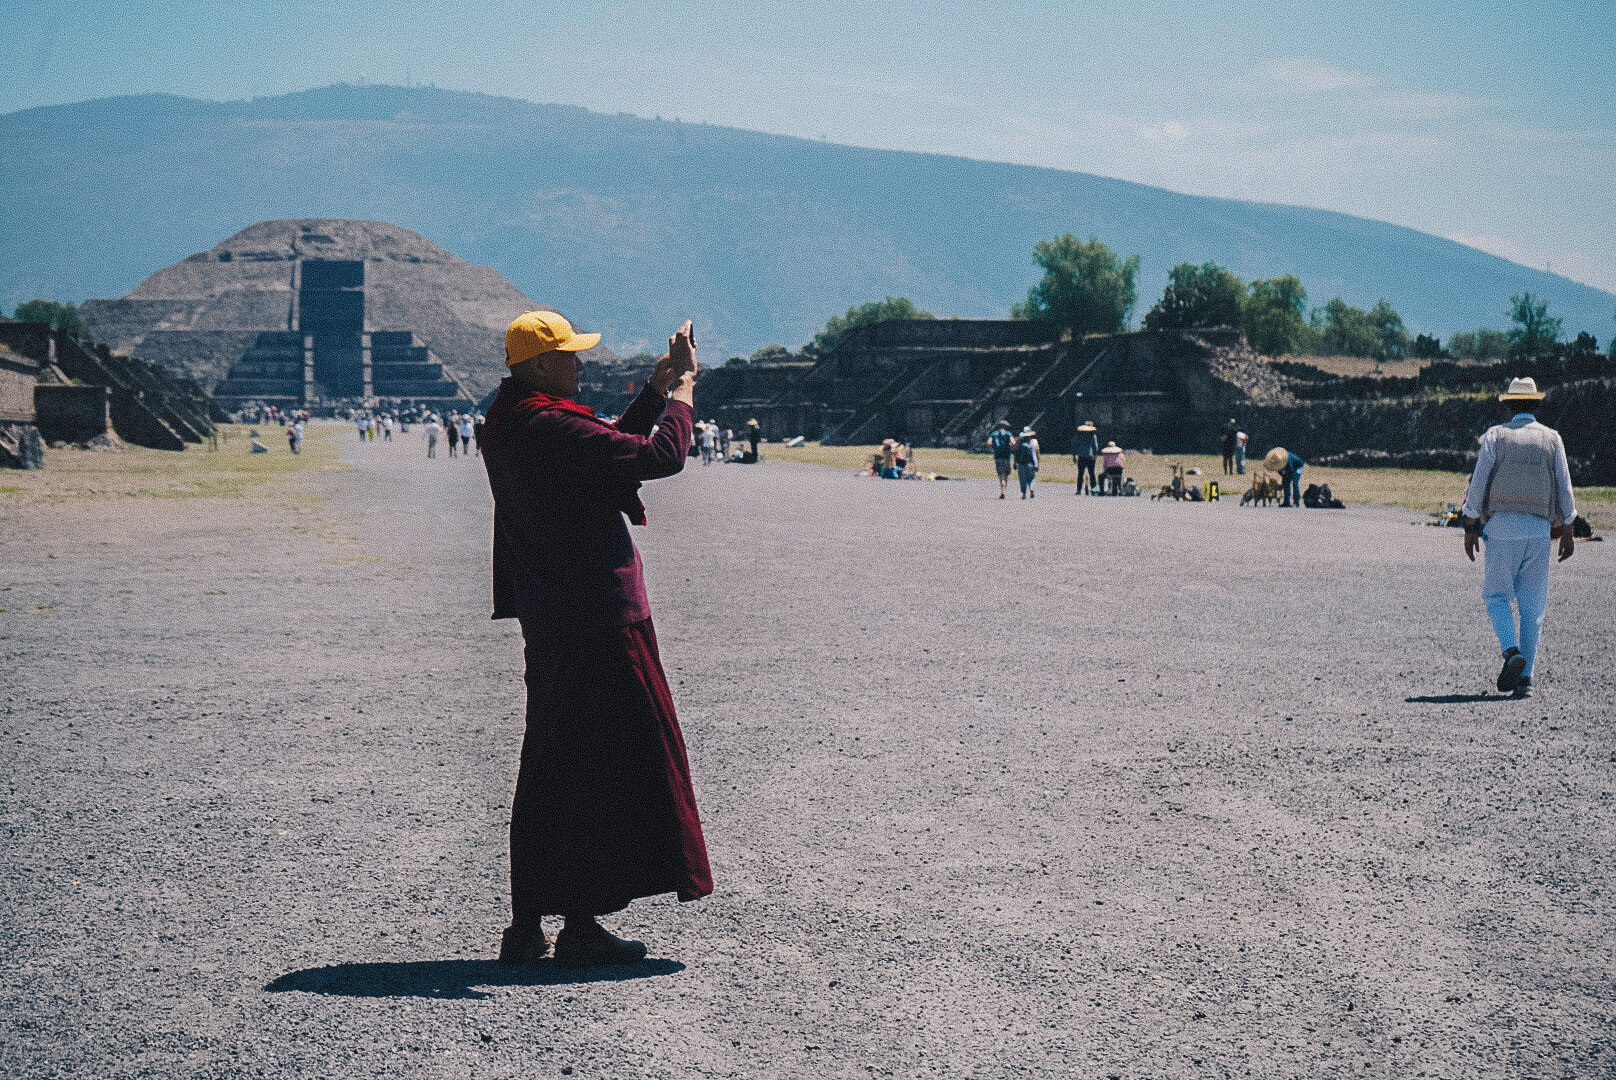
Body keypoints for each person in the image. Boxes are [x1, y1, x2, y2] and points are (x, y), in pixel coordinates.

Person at [482, 310, 711, 968]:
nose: (579, 365)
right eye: (570, 357)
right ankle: (579, 926)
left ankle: (531, 926)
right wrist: (686, 392)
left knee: (555, 767)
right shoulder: (548, 425)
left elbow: (599, 453)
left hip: (552, 616)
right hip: (597, 618)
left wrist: (655, 388)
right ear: (539, 367)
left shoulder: (515, 421)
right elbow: (658, 457)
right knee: (605, 768)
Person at [1460, 377, 1576, 700]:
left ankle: (1511, 653)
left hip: (1501, 528)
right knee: (1533, 605)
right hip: (1539, 531)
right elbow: (1565, 489)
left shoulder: (1495, 435)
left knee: (1496, 597)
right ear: (1535, 405)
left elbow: (1478, 483)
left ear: (1509, 406)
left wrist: (1470, 526)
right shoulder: (1552, 439)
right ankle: (1525, 679)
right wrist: (1568, 531)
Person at [988, 420, 1015, 499]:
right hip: (1006, 457)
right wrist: (1008, 446)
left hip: (997, 457)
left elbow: (989, 443)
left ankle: (1002, 490)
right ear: (1005, 426)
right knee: (1006, 475)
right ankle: (1004, 491)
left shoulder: (994, 434)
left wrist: (996, 447)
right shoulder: (1008, 434)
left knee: (1000, 475)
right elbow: (1013, 442)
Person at [1072, 421, 1098, 495]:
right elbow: (1095, 447)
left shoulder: (1078, 436)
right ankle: (1094, 489)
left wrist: (1074, 456)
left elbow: (1074, 446)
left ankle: (1078, 490)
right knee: (1092, 474)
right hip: (1090, 457)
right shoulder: (1093, 436)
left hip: (1081, 457)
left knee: (1080, 474)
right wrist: (1095, 456)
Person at [1015, 426, 1040, 498]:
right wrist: (1037, 464)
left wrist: (1015, 462)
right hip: (1032, 463)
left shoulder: (1020, 442)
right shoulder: (1035, 442)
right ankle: (1031, 489)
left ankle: (1023, 493)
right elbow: (1037, 454)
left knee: (1022, 479)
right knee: (1031, 478)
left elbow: (1016, 452)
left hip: (1022, 463)